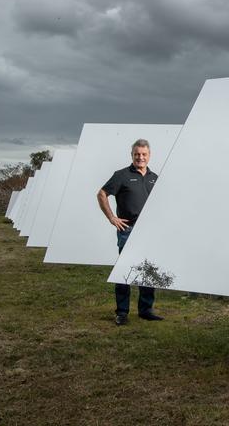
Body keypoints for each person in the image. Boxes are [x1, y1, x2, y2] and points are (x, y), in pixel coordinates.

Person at [97, 138, 163, 326]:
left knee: (149, 270)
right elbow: (102, 194)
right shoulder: (122, 175)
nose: (140, 157)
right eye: (137, 154)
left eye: (144, 154)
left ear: (149, 156)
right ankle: (122, 312)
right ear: (132, 155)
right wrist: (112, 217)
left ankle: (145, 309)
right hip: (128, 230)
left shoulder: (154, 177)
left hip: (150, 232)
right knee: (125, 271)